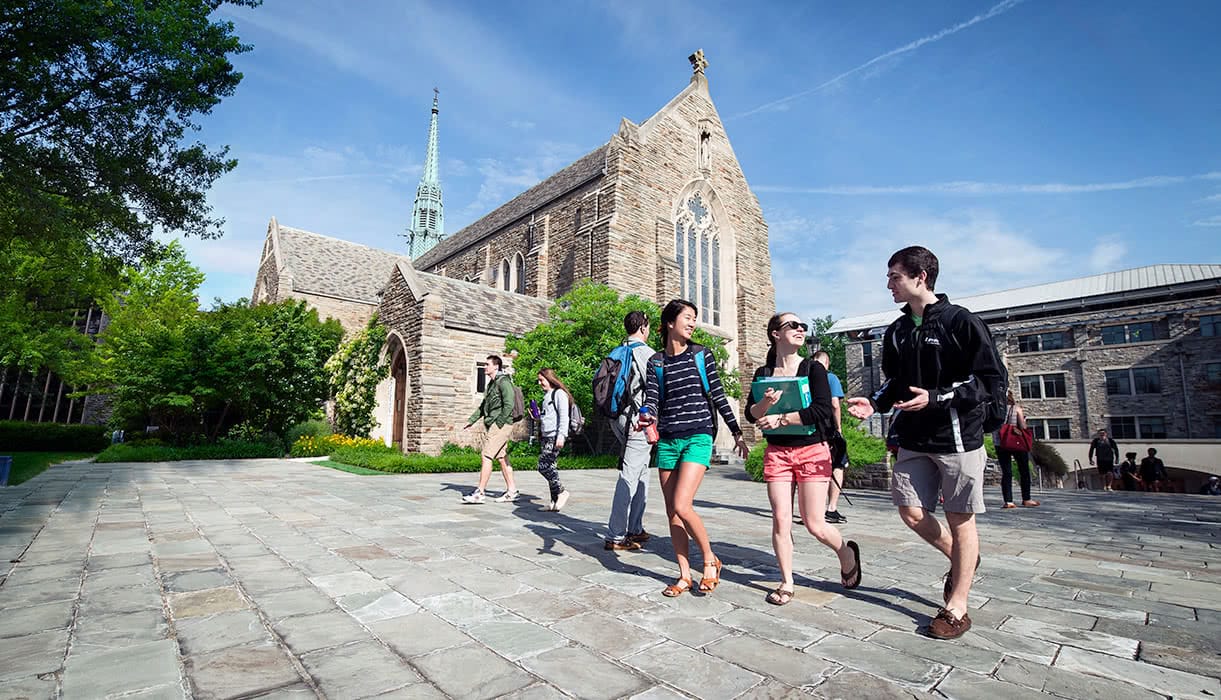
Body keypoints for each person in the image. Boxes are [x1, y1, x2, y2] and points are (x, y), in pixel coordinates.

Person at [845, 246, 1004, 640]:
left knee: (960, 518)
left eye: (894, 277)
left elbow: (988, 381)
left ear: (921, 277)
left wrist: (936, 398)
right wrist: (875, 402)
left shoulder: (961, 322)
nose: (888, 284)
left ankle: (957, 606)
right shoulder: (897, 331)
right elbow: (895, 383)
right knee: (911, 512)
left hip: (957, 438)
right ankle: (962, 558)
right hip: (913, 437)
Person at [746, 312, 861, 606]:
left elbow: (822, 409)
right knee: (781, 520)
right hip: (778, 453)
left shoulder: (812, 369)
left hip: (812, 450)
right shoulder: (763, 373)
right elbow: (751, 414)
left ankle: (846, 552)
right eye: (792, 325)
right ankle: (786, 582)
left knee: (814, 524)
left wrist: (782, 419)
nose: (800, 329)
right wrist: (765, 404)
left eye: (802, 326)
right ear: (775, 333)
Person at [638, 299, 749, 597]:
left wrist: (737, 432)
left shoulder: (702, 355)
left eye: (695, 318)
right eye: (687, 317)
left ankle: (710, 560)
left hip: (698, 435)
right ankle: (684, 575)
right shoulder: (656, 362)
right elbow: (652, 398)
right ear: (670, 323)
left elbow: (718, 396)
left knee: (682, 505)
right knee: (672, 512)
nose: (692, 323)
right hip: (668, 440)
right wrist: (645, 413)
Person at [605, 311, 655, 551]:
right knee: (629, 476)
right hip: (638, 421)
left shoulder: (616, 352)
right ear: (644, 327)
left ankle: (635, 527)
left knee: (642, 472)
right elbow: (658, 390)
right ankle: (615, 536)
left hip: (618, 419)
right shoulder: (646, 354)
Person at [461, 355, 519, 504]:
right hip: (495, 424)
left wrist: (499, 422)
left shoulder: (504, 382)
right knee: (501, 457)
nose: (485, 367)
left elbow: (509, 403)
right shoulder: (491, 384)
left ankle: (479, 493)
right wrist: (471, 421)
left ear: (496, 367)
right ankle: (512, 491)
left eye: (487, 364)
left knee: (486, 455)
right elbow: (483, 407)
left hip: (501, 424)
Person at [814, 350, 849, 523]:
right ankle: (831, 508)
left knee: (814, 468)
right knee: (838, 465)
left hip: (811, 429)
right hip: (828, 429)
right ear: (827, 364)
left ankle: (814, 509)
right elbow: (835, 404)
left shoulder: (806, 377)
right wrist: (839, 428)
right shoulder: (830, 378)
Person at [535, 368, 573, 512]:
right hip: (546, 435)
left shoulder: (559, 394)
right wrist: (538, 417)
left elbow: (564, 416)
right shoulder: (547, 395)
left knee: (543, 466)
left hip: (554, 436)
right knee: (551, 467)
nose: (540, 383)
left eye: (542, 380)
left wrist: (561, 436)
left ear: (549, 378)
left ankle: (562, 491)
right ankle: (554, 501)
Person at [996, 391, 1038, 508]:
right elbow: (1022, 426)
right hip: (1016, 442)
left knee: (1006, 472)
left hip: (1000, 443)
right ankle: (1026, 498)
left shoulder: (995, 409)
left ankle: (1008, 501)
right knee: (1024, 470)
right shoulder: (1016, 408)